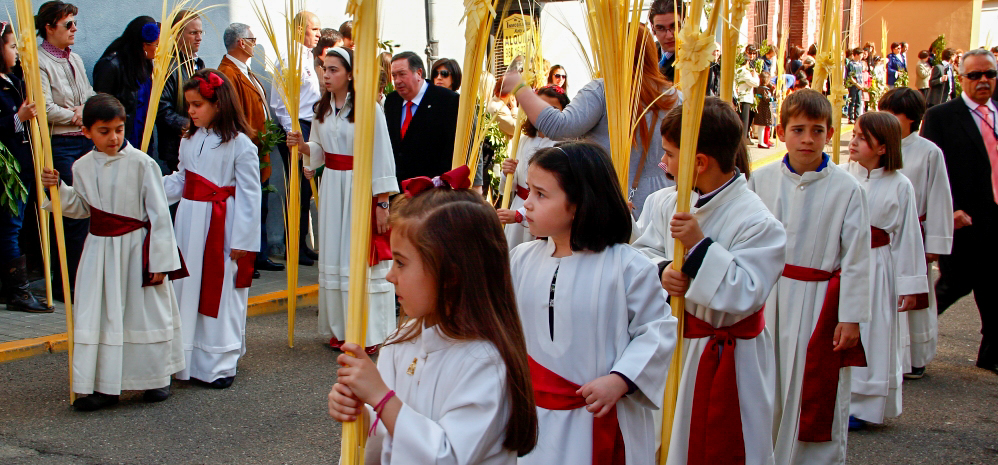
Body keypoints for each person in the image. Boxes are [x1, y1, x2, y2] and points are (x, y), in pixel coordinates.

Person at [327, 178, 538, 463]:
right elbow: (384, 441)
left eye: (400, 262)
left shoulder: (484, 362)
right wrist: (360, 414)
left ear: (450, 275)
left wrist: (380, 398)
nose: (390, 276)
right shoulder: (400, 341)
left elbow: (447, 457)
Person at [633, 98, 786, 465]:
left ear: (699, 162)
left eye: (669, 154)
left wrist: (699, 247)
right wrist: (664, 269)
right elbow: (641, 251)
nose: (661, 162)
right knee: (665, 441)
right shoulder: (662, 202)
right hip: (673, 345)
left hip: (727, 355)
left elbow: (748, 290)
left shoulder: (758, 222)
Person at [509, 141, 675, 464]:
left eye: (541, 195)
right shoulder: (520, 260)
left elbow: (656, 330)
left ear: (579, 203)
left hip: (598, 418)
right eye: (529, 191)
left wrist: (621, 379)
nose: (527, 204)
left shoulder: (627, 266)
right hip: (534, 421)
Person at [747, 89, 871, 464]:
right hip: (768, 296)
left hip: (819, 302)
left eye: (816, 131)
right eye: (798, 129)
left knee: (809, 388)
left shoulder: (848, 188)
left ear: (830, 134)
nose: (807, 139)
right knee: (764, 382)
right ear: (782, 131)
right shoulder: (760, 181)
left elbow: (857, 259)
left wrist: (850, 317)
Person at [40, 94, 187, 411]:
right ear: (87, 132)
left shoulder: (142, 164)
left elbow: (160, 215)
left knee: (143, 312)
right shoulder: (80, 167)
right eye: (104, 131)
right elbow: (80, 208)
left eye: (119, 129)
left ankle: (155, 378)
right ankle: (105, 385)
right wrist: (57, 189)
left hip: (136, 249)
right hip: (100, 251)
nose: (114, 137)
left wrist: (160, 261)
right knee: (103, 313)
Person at [285, 47, 398, 353]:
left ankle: (369, 332)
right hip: (333, 187)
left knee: (359, 257)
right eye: (324, 68)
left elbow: (382, 155)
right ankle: (342, 329)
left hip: (360, 187)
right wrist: (304, 146)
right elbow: (322, 149)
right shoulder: (321, 108)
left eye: (333, 69)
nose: (326, 74)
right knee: (335, 254)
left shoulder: (368, 109)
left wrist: (382, 202)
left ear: (350, 74)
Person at [501, 27, 679, 216]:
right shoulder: (676, 96)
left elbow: (558, 126)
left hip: (609, 204)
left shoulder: (603, 92)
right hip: (665, 205)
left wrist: (519, 87)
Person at [163, 69, 261, 389]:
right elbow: (181, 180)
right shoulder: (190, 140)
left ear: (217, 104)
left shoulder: (240, 144)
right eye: (188, 105)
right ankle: (188, 361)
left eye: (197, 104)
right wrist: (148, 190)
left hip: (222, 225)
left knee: (221, 293)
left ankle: (219, 362)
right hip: (190, 223)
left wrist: (243, 240)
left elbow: (250, 195)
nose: (190, 111)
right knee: (188, 290)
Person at [845, 112, 927, 430]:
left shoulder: (900, 185)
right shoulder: (841, 175)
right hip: (844, 264)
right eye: (853, 134)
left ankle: (864, 404)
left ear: (882, 147)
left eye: (862, 138)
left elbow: (907, 237)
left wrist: (909, 285)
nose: (853, 142)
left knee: (873, 332)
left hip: (878, 267)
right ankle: (839, 397)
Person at [921, 48, 998, 375]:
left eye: (990, 74)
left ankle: (991, 354)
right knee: (954, 283)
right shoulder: (942, 116)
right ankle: (910, 337)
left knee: (996, 287)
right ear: (961, 78)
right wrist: (945, 212)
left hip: (996, 216)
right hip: (962, 219)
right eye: (975, 75)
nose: (983, 81)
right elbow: (929, 172)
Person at [878, 88, 953, 381]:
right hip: (881, 236)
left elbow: (939, 197)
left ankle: (915, 356)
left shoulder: (928, 152)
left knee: (914, 297)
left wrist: (935, 241)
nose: (887, 119)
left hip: (914, 233)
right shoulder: (876, 146)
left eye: (893, 114)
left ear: (911, 118)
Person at [35, 0, 95, 299]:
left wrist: (86, 109)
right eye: (67, 25)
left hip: (84, 140)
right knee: (71, 215)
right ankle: (66, 284)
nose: (74, 29)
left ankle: (82, 279)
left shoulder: (76, 59)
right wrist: (78, 113)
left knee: (87, 211)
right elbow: (43, 107)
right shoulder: (39, 61)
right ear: (49, 28)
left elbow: (90, 95)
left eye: (74, 23)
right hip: (61, 142)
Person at [217, 23, 285, 276]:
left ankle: (259, 253)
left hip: (259, 147)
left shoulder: (244, 71)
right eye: (252, 39)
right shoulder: (227, 73)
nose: (254, 44)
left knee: (261, 203)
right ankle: (249, 256)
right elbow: (234, 115)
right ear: (240, 43)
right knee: (248, 204)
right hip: (247, 148)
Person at [0, 22, 49, 313]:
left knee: (15, 226)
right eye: (10, 46)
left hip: (23, 165)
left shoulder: (13, 79)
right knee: (10, 227)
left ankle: (12, 288)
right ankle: (17, 291)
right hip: (9, 171)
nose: (15, 52)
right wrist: (18, 117)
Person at [270, 10, 321, 266]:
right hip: (296, 128)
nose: (319, 35)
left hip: (309, 125)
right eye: (315, 30)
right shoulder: (290, 60)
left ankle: (302, 244)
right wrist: (294, 132)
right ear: (300, 31)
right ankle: (294, 247)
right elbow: (279, 103)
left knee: (305, 189)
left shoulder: (308, 58)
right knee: (297, 189)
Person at [496, 85, 569, 249]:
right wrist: (507, 172)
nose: (546, 115)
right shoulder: (524, 140)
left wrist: (519, 215)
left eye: (553, 109)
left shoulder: (563, 145)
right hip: (519, 205)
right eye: (540, 107)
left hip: (543, 213)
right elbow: (508, 188)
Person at [383, 51, 460, 184]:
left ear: (419, 73)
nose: (397, 81)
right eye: (394, 76)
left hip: (432, 192)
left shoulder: (447, 101)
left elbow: (451, 148)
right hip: (397, 191)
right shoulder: (392, 101)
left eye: (402, 74)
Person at [92, 16, 158, 148]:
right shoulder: (110, 65)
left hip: (142, 139)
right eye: (157, 45)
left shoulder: (145, 65)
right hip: (120, 141)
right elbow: (101, 108)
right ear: (144, 45)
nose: (159, 49)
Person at [156, 10, 204, 175]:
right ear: (177, 35)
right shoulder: (170, 67)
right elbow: (162, 109)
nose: (199, 37)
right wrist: (189, 125)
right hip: (177, 146)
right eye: (193, 33)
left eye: (200, 32)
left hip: (198, 143)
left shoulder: (198, 63)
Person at [649, 0, 683, 80]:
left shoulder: (699, 61)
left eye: (674, 26)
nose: (669, 36)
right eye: (660, 28)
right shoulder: (647, 56)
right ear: (653, 29)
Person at [736, 47, 760, 140]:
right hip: (745, 98)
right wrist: (755, 75)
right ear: (746, 62)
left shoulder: (738, 70)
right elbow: (756, 83)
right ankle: (743, 140)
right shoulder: (744, 71)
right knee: (744, 123)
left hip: (741, 98)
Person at [754, 71, 775, 148]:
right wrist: (773, 98)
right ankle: (761, 142)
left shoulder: (759, 88)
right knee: (762, 126)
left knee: (762, 126)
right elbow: (766, 99)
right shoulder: (764, 89)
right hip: (764, 109)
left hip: (761, 108)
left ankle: (762, 141)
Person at [846, 48, 866, 123]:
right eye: (861, 55)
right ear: (856, 55)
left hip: (860, 85)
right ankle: (850, 117)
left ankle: (857, 117)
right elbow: (850, 76)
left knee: (859, 101)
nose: (862, 56)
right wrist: (856, 84)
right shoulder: (851, 64)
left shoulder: (860, 63)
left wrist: (862, 84)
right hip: (853, 85)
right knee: (852, 101)